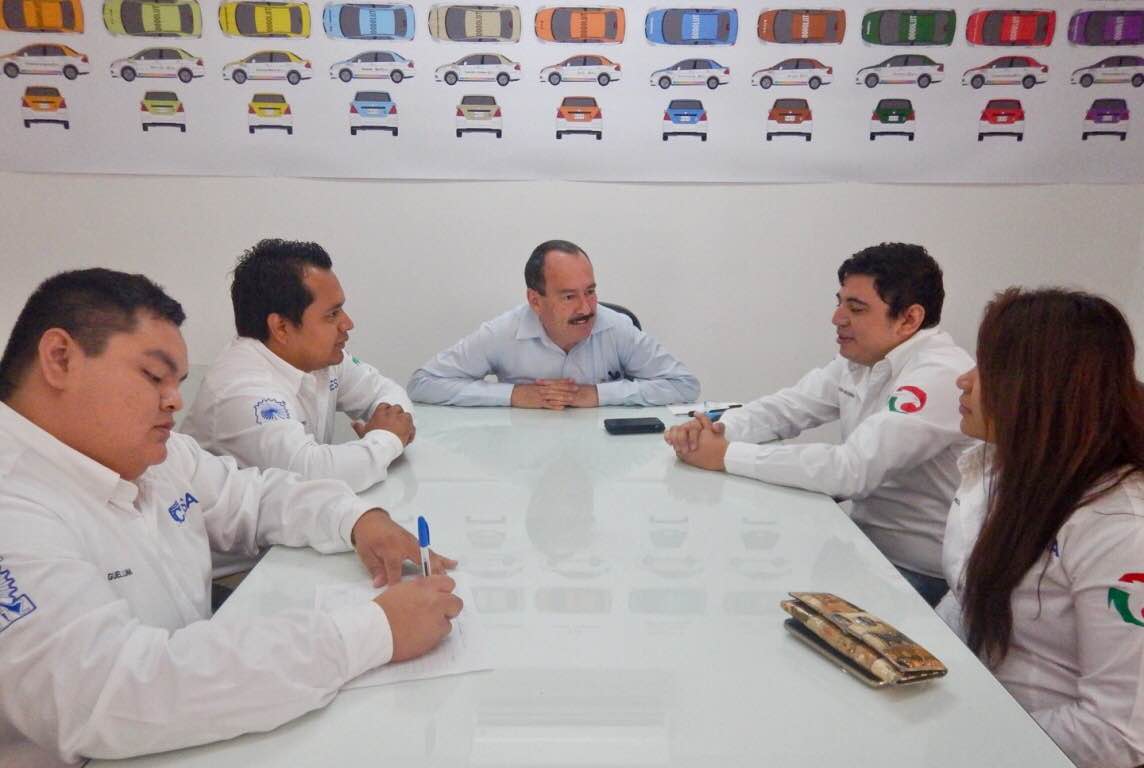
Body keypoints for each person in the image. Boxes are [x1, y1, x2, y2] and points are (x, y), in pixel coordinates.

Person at [0, 269, 460, 766]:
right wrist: (370, 632)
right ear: (60, 358)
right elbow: (109, 692)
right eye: (153, 377)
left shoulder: (148, 453)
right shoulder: (15, 506)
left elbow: (255, 496)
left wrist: (355, 517)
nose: (175, 400)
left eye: (176, 382)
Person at [664, 243, 974, 605]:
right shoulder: (863, 358)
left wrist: (725, 455)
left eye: (856, 308)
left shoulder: (940, 374)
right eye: (839, 302)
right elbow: (786, 408)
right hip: (862, 548)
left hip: (921, 573)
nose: (837, 318)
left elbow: (850, 470)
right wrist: (716, 430)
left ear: (909, 319)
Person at [938, 288, 1144, 768]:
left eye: (986, 368)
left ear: (1037, 387)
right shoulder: (1001, 472)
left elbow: (1117, 735)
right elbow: (965, 597)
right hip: (973, 710)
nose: (964, 380)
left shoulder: (1122, 529)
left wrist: (963, 733)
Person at [182, 239, 414, 494]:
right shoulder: (240, 390)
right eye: (332, 314)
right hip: (223, 521)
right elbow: (312, 476)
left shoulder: (320, 357)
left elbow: (385, 391)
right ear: (281, 328)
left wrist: (389, 427)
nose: (348, 324)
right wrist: (387, 439)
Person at [406, 239, 699, 408]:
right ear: (535, 301)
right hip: (526, 453)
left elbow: (684, 385)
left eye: (590, 291)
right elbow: (423, 384)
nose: (586, 308)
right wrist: (515, 395)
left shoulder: (615, 327)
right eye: (569, 296)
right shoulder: (503, 332)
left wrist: (597, 395)